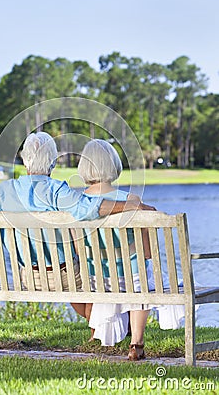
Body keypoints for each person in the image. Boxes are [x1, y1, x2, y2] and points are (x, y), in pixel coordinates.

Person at [0, 132, 155, 300]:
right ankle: (98, 331)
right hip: (67, 277)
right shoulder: (58, 191)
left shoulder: (0, 192)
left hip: (29, 277)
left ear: (24, 160)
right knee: (92, 276)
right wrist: (131, 204)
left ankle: (104, 330)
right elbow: (89, 208)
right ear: (53, 162)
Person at [77, 139, 153, 360]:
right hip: (132, 278)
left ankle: (96, 334)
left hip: (97, 278)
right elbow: (147, 253)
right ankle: (136, 342)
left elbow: (78, 251)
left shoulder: (78, 203)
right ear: (113, 165)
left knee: (134, 276)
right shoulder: (131, 200)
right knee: (143, 277)